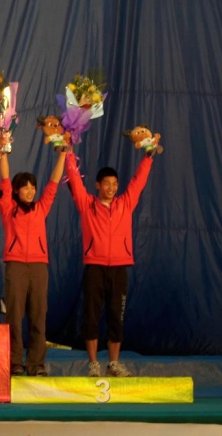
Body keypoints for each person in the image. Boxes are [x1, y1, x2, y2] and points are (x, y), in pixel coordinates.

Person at [65, 148, 154, 377]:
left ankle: (113, 364)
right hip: (94, 267)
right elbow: (74, 181)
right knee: (91, 316)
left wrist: (148, 157)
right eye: (107, 184)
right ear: (97, 185)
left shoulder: (126, 203)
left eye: (114, 184)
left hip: (119, 269)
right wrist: (68, 153)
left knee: (117, 316)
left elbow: (138, 181)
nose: (111, 188)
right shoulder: (87, 205)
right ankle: (93, 364)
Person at [0, 139, 66, 376]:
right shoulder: (8, 208)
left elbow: (54, 183)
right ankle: (15, 362)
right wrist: (3, 149)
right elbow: (5, 180)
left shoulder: (41, 207)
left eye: (33, 187)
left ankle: (36, 364)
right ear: (17, 190)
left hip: (39, 266)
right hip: (15, 265)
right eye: (25, 187)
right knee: (14, 318)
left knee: (38, 316)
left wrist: (63, 155)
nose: (30, 191)